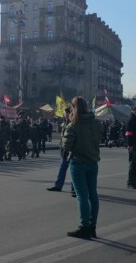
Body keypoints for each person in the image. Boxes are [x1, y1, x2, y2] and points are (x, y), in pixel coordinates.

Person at [63, 97, 101, 240]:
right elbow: (99, 139)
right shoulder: (95, 123)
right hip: (93, 162)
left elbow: (67, 145)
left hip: (78, 162)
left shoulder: (73, 124)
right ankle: (92, 227)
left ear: (74, 108)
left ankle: (84, 227)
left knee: (82, 196)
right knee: (93, 195)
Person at [47, 107, 73, 192]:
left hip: (71, 151)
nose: (64, 115)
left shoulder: (74, 122)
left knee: (73, 171)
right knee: (62, 169)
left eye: (65, 113)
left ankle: (74, 189)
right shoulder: (65, 122)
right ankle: (58, 186)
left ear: (69, 113)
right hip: (64, 150)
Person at [126, 106, 136, 189]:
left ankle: (132, 181)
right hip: (133, 144)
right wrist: (130, 145)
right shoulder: (131, 120)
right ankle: (131, 182)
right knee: (133, 163)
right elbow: (128, 134)